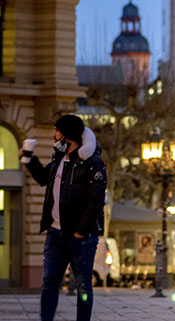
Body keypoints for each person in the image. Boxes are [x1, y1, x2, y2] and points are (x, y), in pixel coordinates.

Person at [21, 115, 106, 321]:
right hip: (55, 234)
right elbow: (43, 178)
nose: (53, 135)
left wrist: (80, 232)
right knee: (50, 282)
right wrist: (29, 158)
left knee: (83, 285)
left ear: (68, 135)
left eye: (57, 131)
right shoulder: (60, 160)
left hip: (80, 237)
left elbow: (95, 202)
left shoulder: (92, 163)